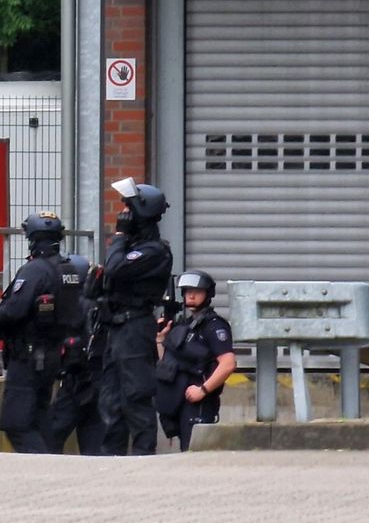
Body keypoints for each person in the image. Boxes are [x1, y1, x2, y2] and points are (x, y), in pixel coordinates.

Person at [0, 211, 84, 454]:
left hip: (28, 356)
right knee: (39, 418)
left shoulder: (35, 269)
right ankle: (52, 466)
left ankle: (43, 468)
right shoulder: (68, 269)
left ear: (34, 239)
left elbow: (14, 310)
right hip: (51, 354)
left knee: (17, 424)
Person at [98, 178, 173, 456]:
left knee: (135, 398)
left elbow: (116, 268)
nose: (123, 213)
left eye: (128, 207)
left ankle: (144, 456)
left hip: (135, 328)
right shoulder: (132, 247)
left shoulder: (155, 251)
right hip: (116, 328)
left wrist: (118, 238)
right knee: (110, 399)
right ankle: (111, 459)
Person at [154, 269, 236, 452]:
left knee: (195, 454)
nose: (191, 296)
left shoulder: (214, 326)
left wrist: (203, 390)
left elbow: (228, 363)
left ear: (208, 294)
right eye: (187, 291)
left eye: (197, 291)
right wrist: (161, 340)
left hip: (199, 404)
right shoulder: (185, 325)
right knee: (185, 451)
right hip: (180, 401)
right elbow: (167, 365)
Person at [46, 254, 105, 455]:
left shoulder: (74, 304)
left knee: (50, 436)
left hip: (76, 383)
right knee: (94, 446)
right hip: (99, 383)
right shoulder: (99, 304)